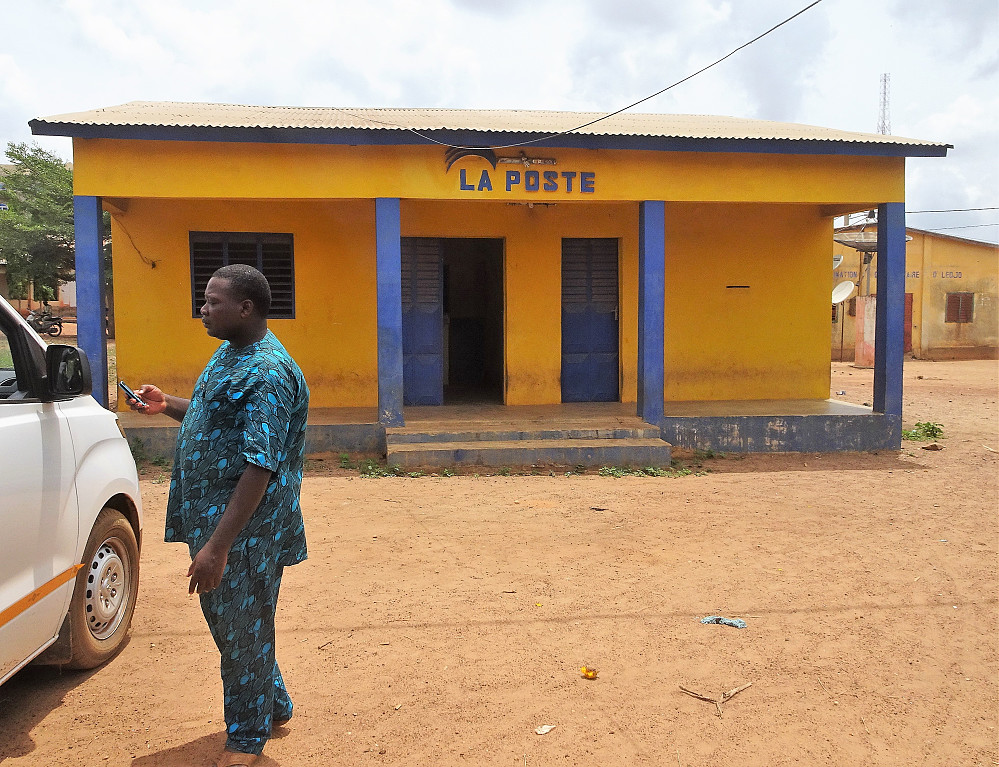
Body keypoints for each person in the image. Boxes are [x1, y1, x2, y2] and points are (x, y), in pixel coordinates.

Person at [127, 264, 309, 767]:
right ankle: (272, 703)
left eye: (212, 302)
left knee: (241, 625)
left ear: (246, 308)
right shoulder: (232, 354)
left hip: (245, 531)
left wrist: (218, 546)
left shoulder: (267, 372)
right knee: (236, 623)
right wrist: (168, 406)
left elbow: (260, 465)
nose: (202, 310)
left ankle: (246, 740)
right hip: (214, 518)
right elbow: (213, 413)